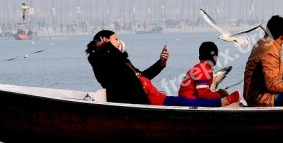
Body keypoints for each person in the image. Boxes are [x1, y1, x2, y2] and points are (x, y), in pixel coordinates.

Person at [86, 31, 237, 107]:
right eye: (116, 39)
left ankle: (219, 101)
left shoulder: (123, 61)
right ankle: (221, 102)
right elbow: (110, 67)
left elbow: (142, 76)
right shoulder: (102, 60)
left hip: (151, 96)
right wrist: (106, 46)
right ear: (105, 41)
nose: (120, 42)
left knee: (182, 101)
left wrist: (161, 62)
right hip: (142, 101)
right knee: (184, 102)